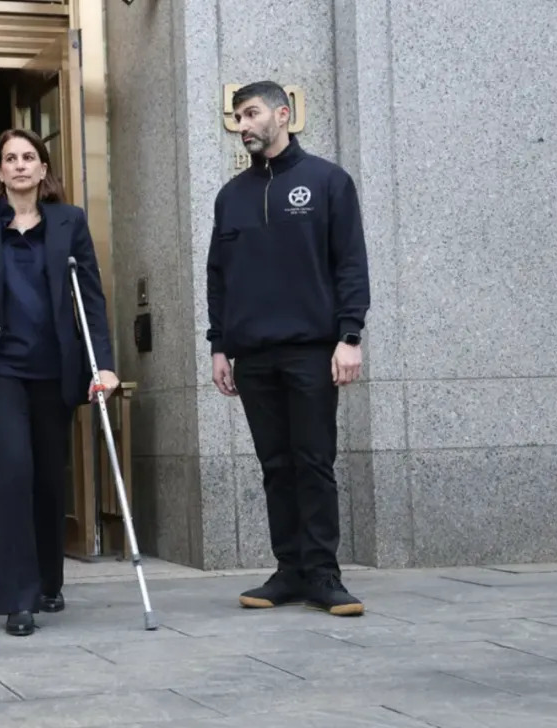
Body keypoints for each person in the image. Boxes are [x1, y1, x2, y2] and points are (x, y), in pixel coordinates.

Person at [0, 128, 118, 636]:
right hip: (0, 371)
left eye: (29, 158)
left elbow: (91, 299)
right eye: (9, 159)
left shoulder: (70, 223)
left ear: (43, 170)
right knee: (12, 470)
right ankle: (17, 597)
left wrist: (101, 364)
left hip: (54, 367)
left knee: (47, 476)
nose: (20, 165)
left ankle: (48, 580)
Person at [205, 80, 370, 617]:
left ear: (284, 113)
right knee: (274, 465)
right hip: (253, 355)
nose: (244, 124)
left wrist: (349, 336)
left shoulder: (327, 182)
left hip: (312, 351)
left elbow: (350, 262)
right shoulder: (231, 197)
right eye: (237, 117)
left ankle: (324, 573)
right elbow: (218, 278)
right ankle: (290, 570)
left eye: (251, 113)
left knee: (313, 461)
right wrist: (219, 347)